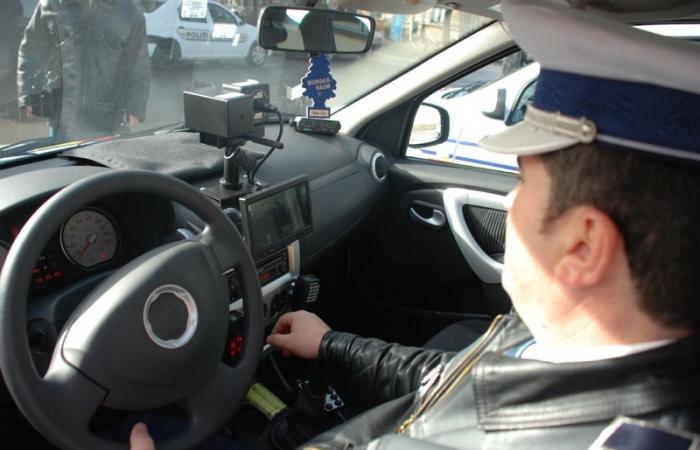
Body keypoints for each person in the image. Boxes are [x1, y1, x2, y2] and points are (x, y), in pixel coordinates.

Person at [130, 0, 700, 448]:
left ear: (583, 246)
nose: (513, 200)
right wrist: (331, 344)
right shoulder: (567, 344)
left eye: (524, 182)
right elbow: (459, 379)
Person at [16, 0, 150, 141]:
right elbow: (31, 48)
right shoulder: (52, 3)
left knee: (104, 155)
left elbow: (139, 64)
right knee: (60, 154)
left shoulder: (129, 10)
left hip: (108, 119)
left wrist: (135, 108)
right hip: (62, 116)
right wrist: (28, 94)